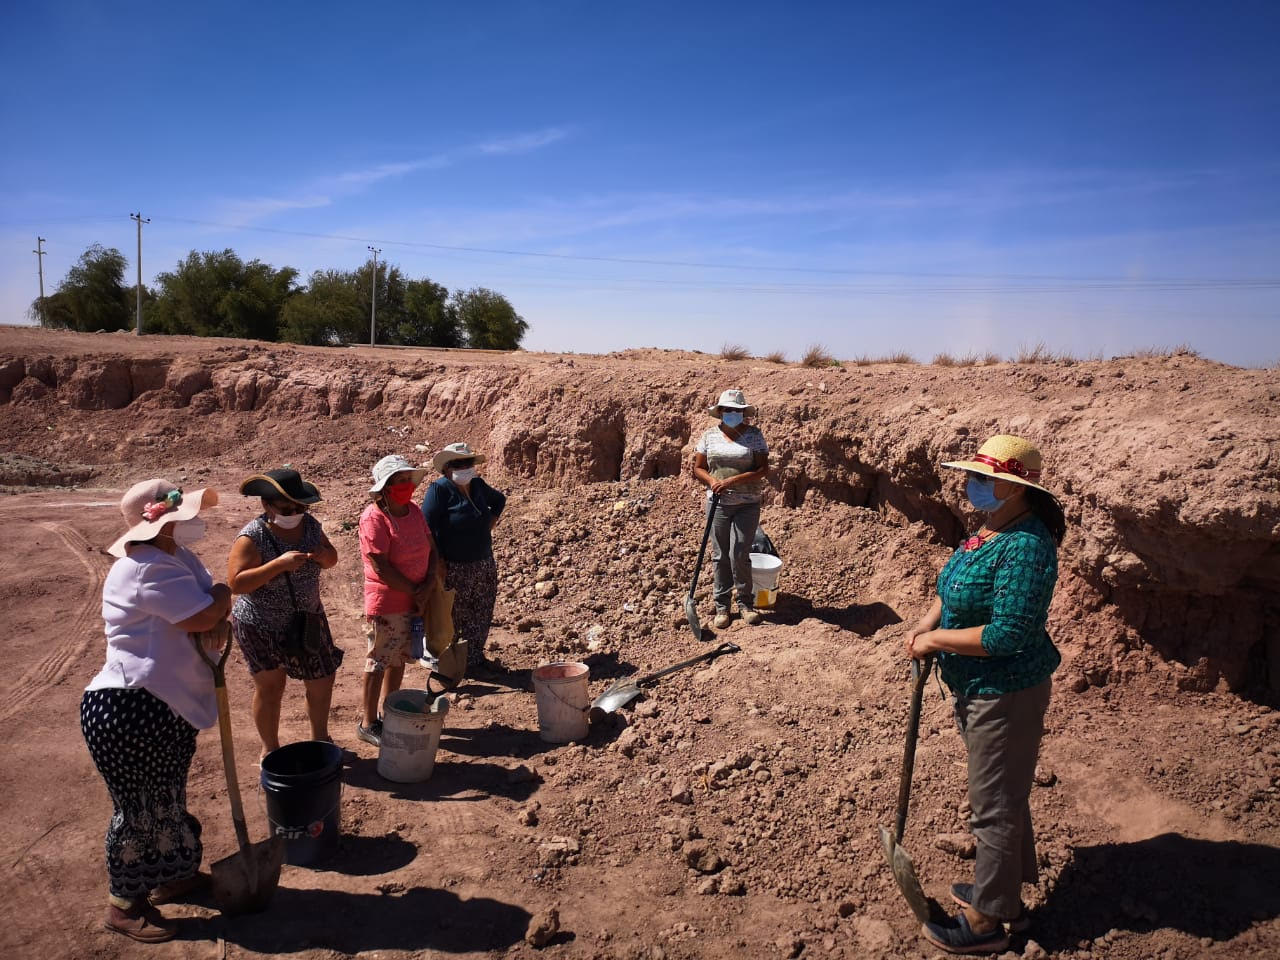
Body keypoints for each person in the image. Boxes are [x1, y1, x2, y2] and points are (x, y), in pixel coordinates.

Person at [904, 435, 1066, 955]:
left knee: (993, 806)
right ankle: (1005, 897)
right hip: (974, 686)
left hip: (1006, 692)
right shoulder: (991, 529)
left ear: (1014, 489)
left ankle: (985, 924)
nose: (971, 485)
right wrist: (924, 627)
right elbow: (948, 588)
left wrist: (934, 640)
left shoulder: (1026, 545)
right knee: (1002, 794)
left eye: (982, 478)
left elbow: (1005, 636)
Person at [82, 479, 232, 942]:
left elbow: (208, 609)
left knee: (167, 797)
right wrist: (223, 598)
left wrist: (218, 602)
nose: (188, 518)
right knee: (139, 810)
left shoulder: (176, 556)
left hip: (161, 704)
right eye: (181, 512)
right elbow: (205, 616)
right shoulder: (144, 567)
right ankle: (124, 905)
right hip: (130, 707)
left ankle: (173, 875)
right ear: (163, 519)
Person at [227, 468, 342, 760]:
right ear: (266, 505)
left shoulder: (311, 526)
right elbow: (237, 583)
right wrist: (277, 565)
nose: (295, 512)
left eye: (300, 507)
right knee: (270, 687)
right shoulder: (252, 537)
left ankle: (320, 742)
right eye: (286, 507)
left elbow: (331, 557)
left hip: (308, 620)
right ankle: (270, 750)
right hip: (260, 624)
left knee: (321, 679)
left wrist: (324, 557)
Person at [358, 454, 435, 746]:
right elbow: (381, 567)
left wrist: (428, 584)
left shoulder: (414, 511)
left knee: (399, 659)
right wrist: (417, 591)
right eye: (398, 481)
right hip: (387, 602)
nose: (405, 485)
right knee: (379, 659)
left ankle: (390, 711)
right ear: (385, 487)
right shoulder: (374, 517)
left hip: (414, 600)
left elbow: (432, 548)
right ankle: (368, 721)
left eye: (407, 480)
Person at [422, 442, 507, 674]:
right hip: (453, 566)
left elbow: (499, 500)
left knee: (481, 610)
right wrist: (437, 560)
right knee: (454, 616)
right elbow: (426, 527)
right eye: (458, 464)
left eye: (468, 463)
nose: (465, 468)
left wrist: (489, 524)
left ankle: (474, 660)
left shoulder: (478, 486)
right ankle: (451, 664)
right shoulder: (439, 490)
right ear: (447, 468)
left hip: (483, 562)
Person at [691, 388, 770, 629]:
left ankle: (745, 604)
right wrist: (713, 481)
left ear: (743, 412)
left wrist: (733, 481)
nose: (732, 413)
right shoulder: (708, 436)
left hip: (748, 503)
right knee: (720, 555)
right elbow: (698, 468)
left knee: (740, 554)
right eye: (728, 410)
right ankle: (722, 607)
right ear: (721, 412)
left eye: (737, 410)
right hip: (718, 504)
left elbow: (762, 470)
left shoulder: (754, 435)